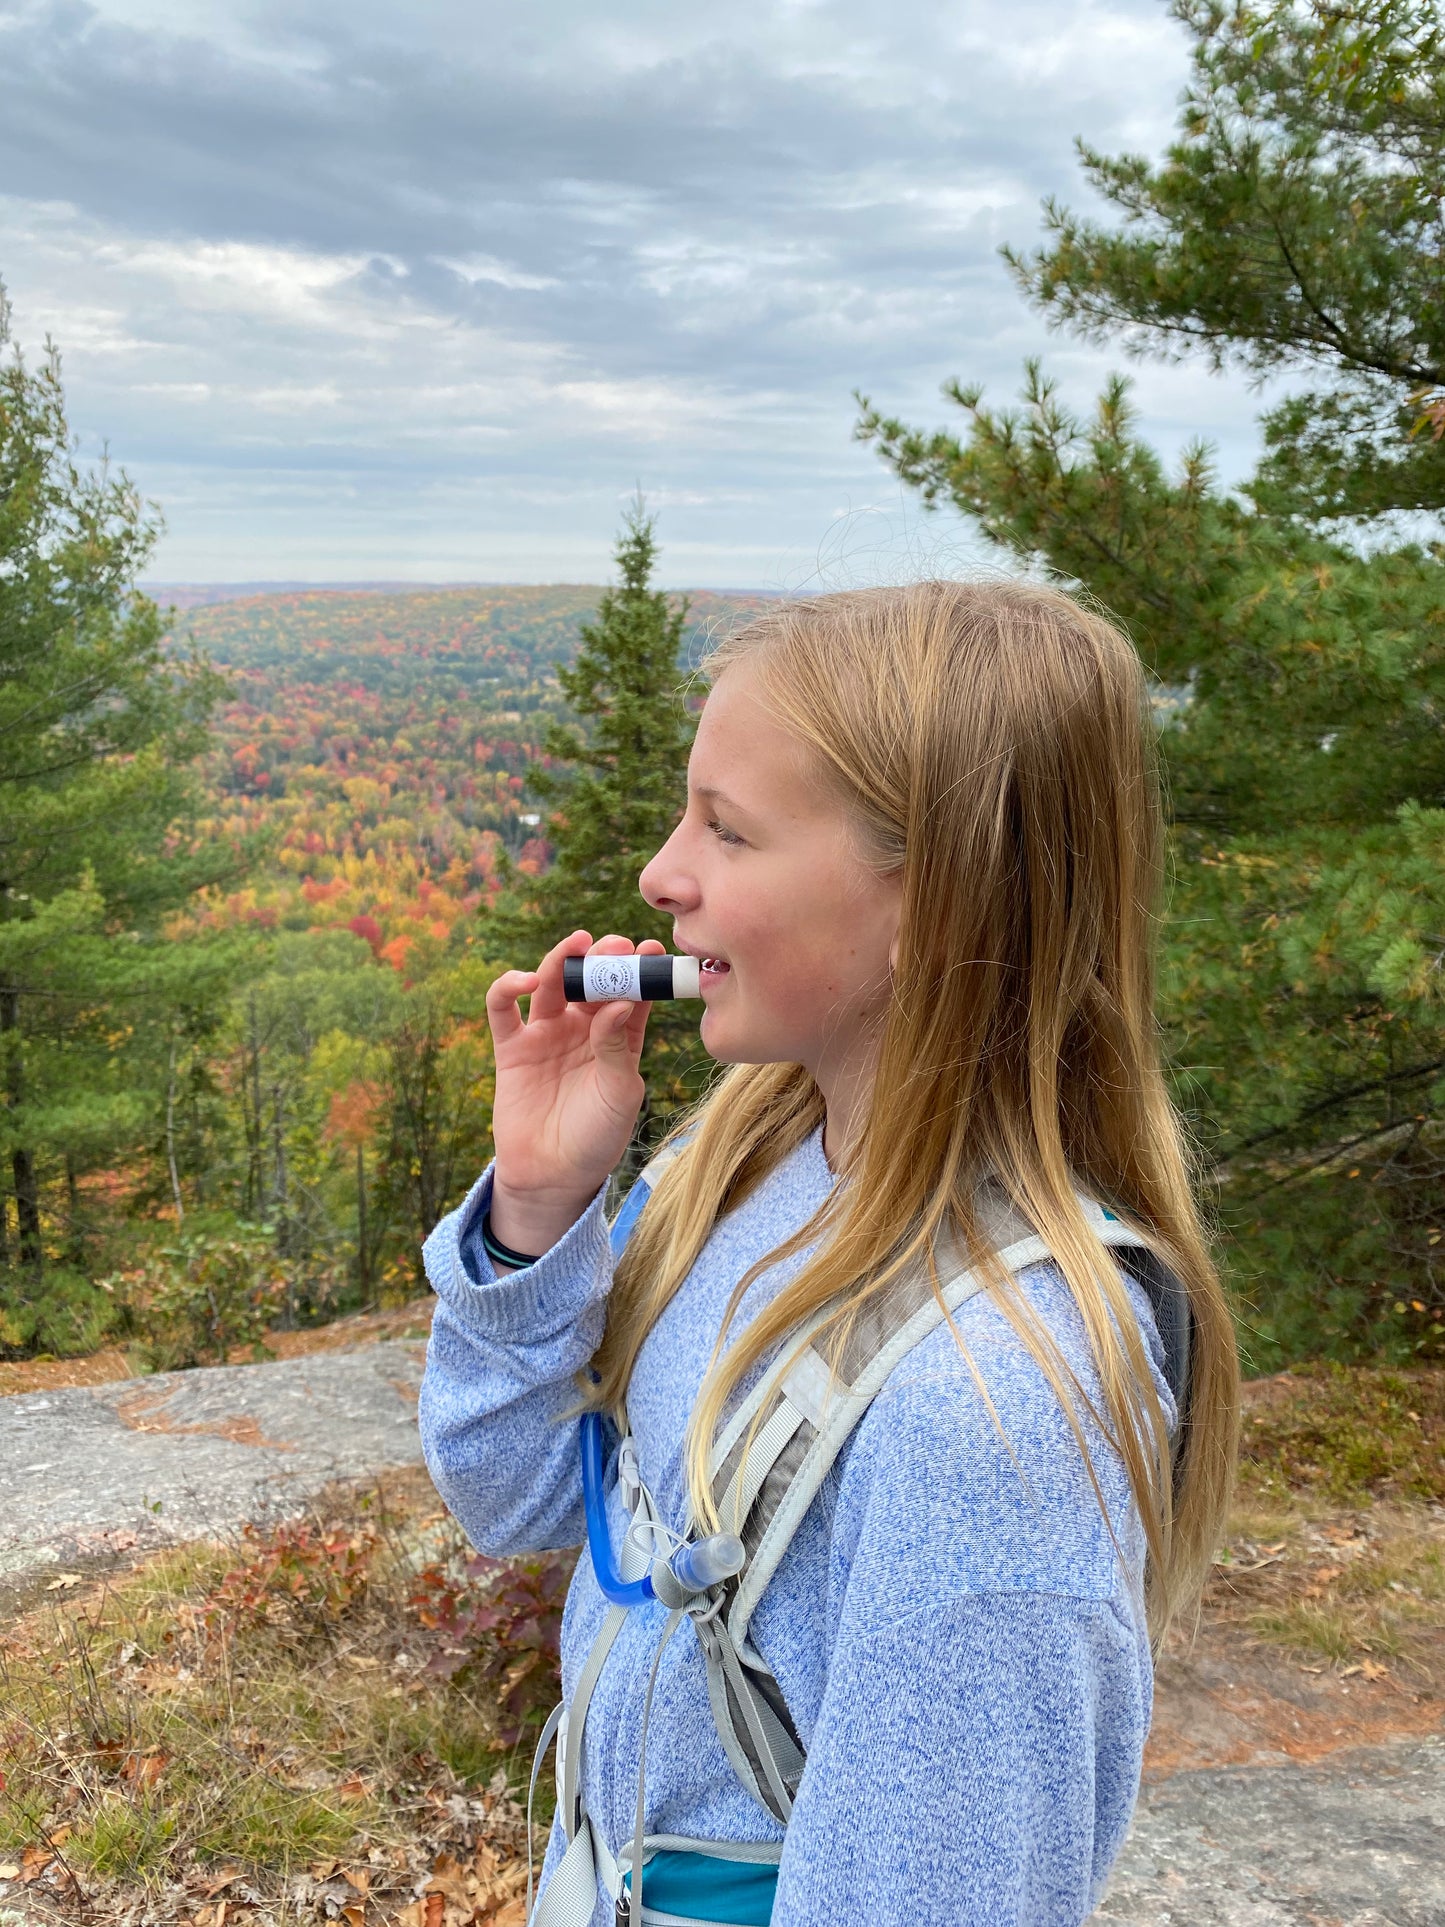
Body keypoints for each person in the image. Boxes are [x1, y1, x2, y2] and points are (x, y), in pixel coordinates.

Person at [418, 579, 1240, 1927]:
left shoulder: (992, 1408)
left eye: (727, 832)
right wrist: (540, 1210)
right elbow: (518, 1505)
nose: (659, 875)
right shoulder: (733, 1162)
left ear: (939, 904)